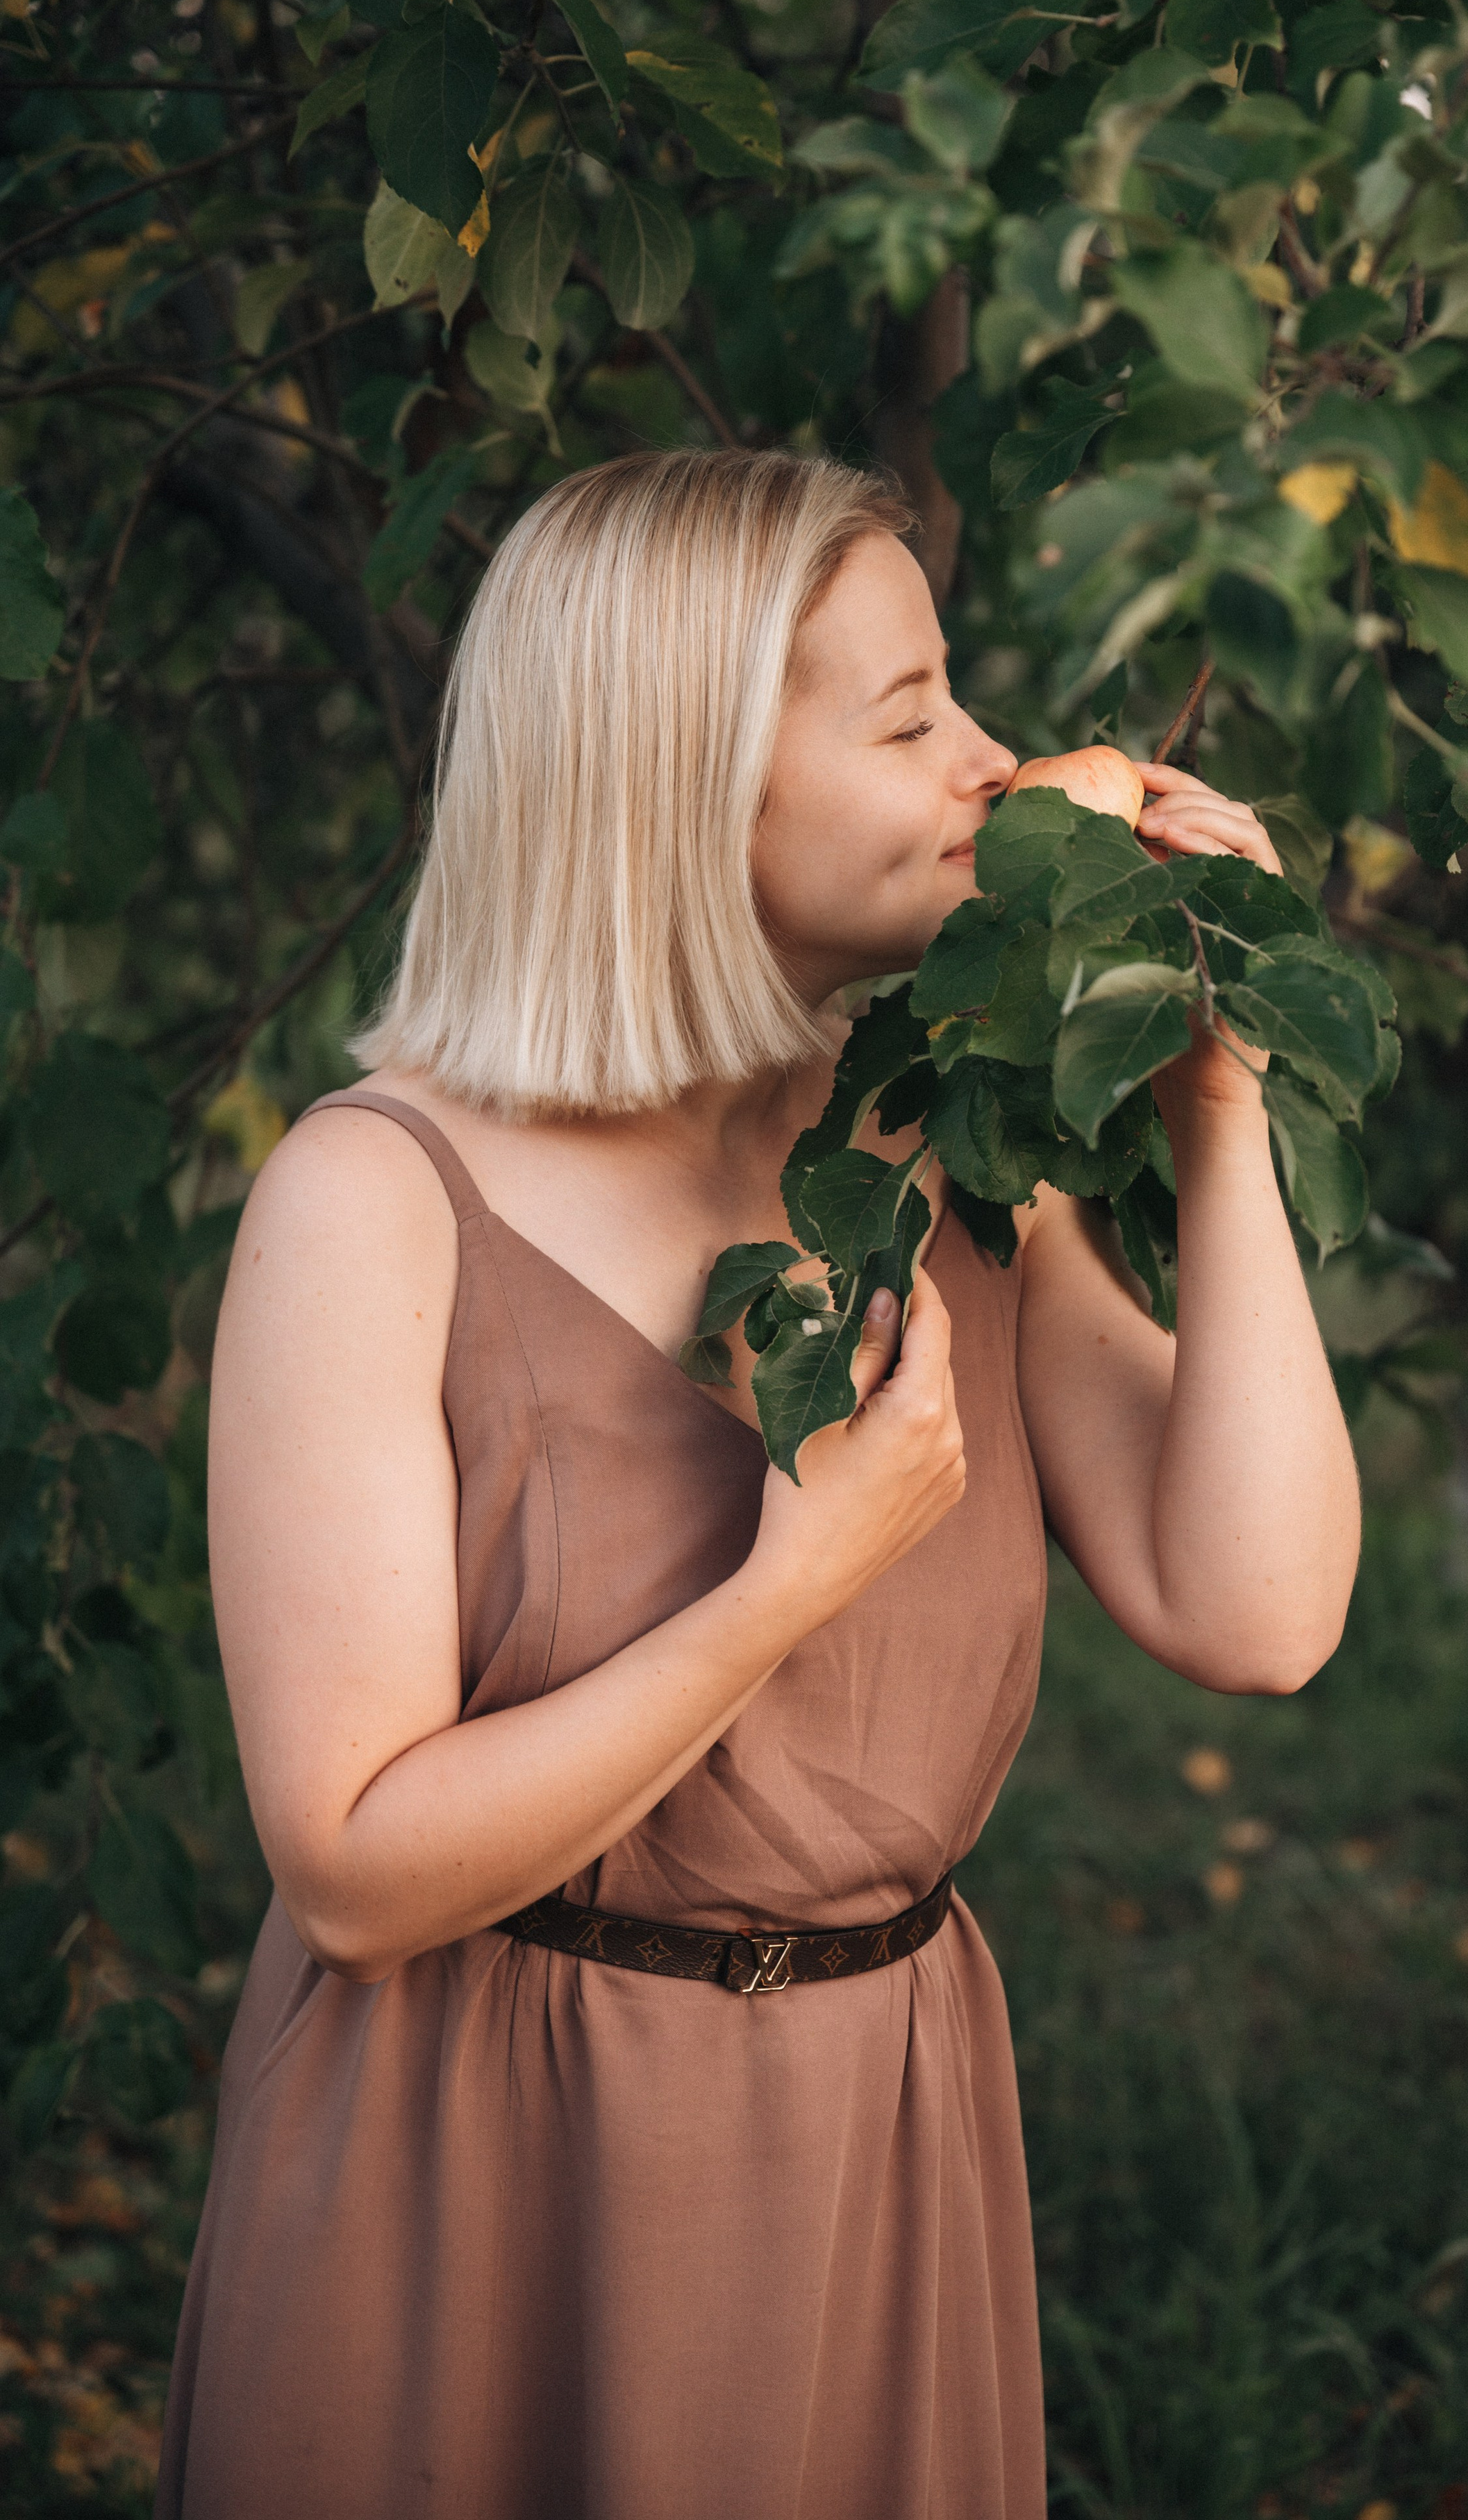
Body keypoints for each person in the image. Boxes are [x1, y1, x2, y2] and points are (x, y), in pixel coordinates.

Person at [155, 448, 1360, 2520]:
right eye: (911, 721)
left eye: (963, 699)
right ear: (682, 781)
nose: (994, 763)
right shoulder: (375, 1203)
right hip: (483, 2173)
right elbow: (353, 1871)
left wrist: (1220, 1111)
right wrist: (790, 1588)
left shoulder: (938, 1144)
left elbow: (1256, 1612)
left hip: (869, 2148)